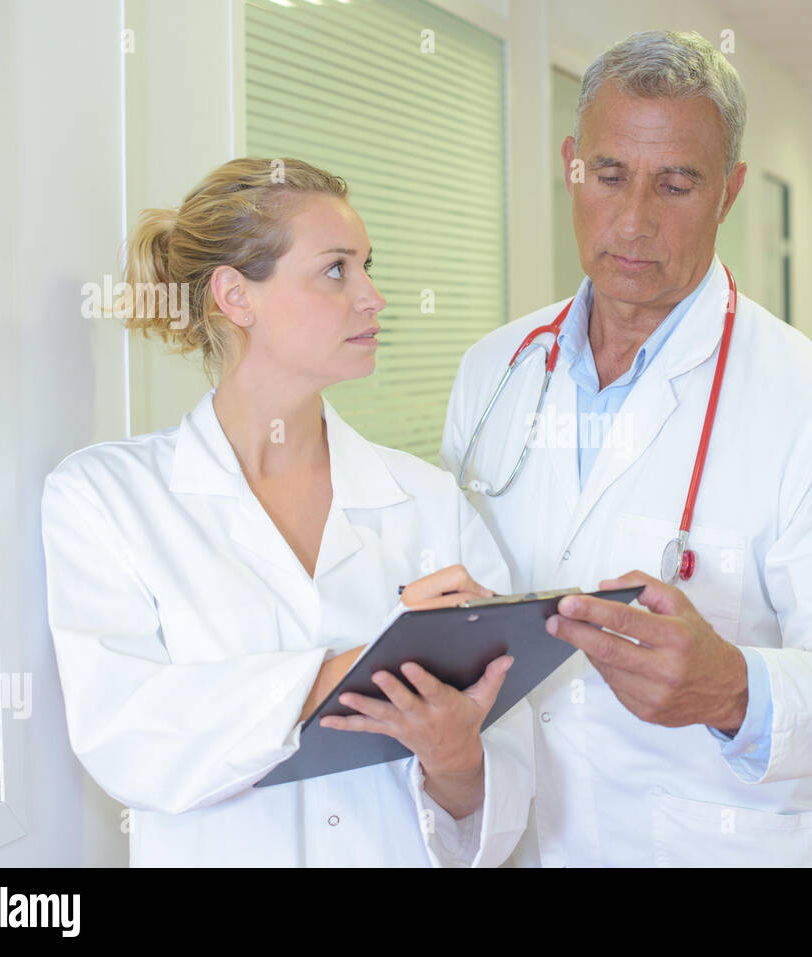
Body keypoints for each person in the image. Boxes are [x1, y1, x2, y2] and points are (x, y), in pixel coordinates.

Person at [441, 31, 812, 867]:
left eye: (676, 183)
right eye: (608, 176)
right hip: (517, 835)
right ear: (571, 165)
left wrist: (736, 687)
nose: (633, 221)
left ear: (730, 191)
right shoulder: (495, 370)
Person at [41, 157, 532, 866]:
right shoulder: (106, 499)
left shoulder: (428, 502)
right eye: (337, 270)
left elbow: (502, 776)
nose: (374, 296)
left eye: (367, 266)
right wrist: (367, 663)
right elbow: (128, 738)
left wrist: (455, 761)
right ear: (236, 295)